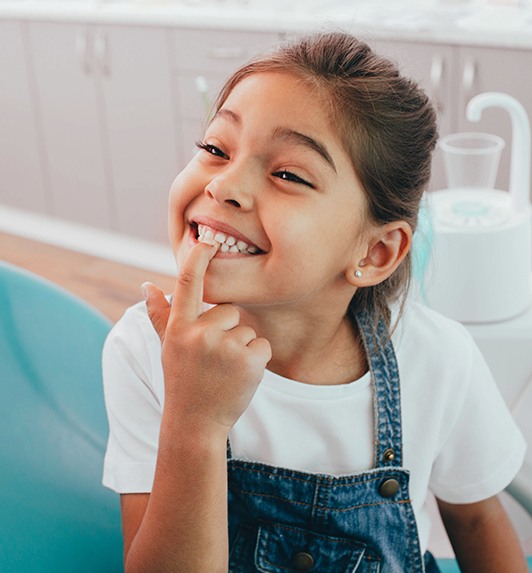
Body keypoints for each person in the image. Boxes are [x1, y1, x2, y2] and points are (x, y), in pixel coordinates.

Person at [102, 32, 528, 572]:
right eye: (215, 148)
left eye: (287, 174)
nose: (225, 185)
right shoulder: (145, 349)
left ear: (374, 253)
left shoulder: (441, 359)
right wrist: (194, 422)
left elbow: (475, 520)